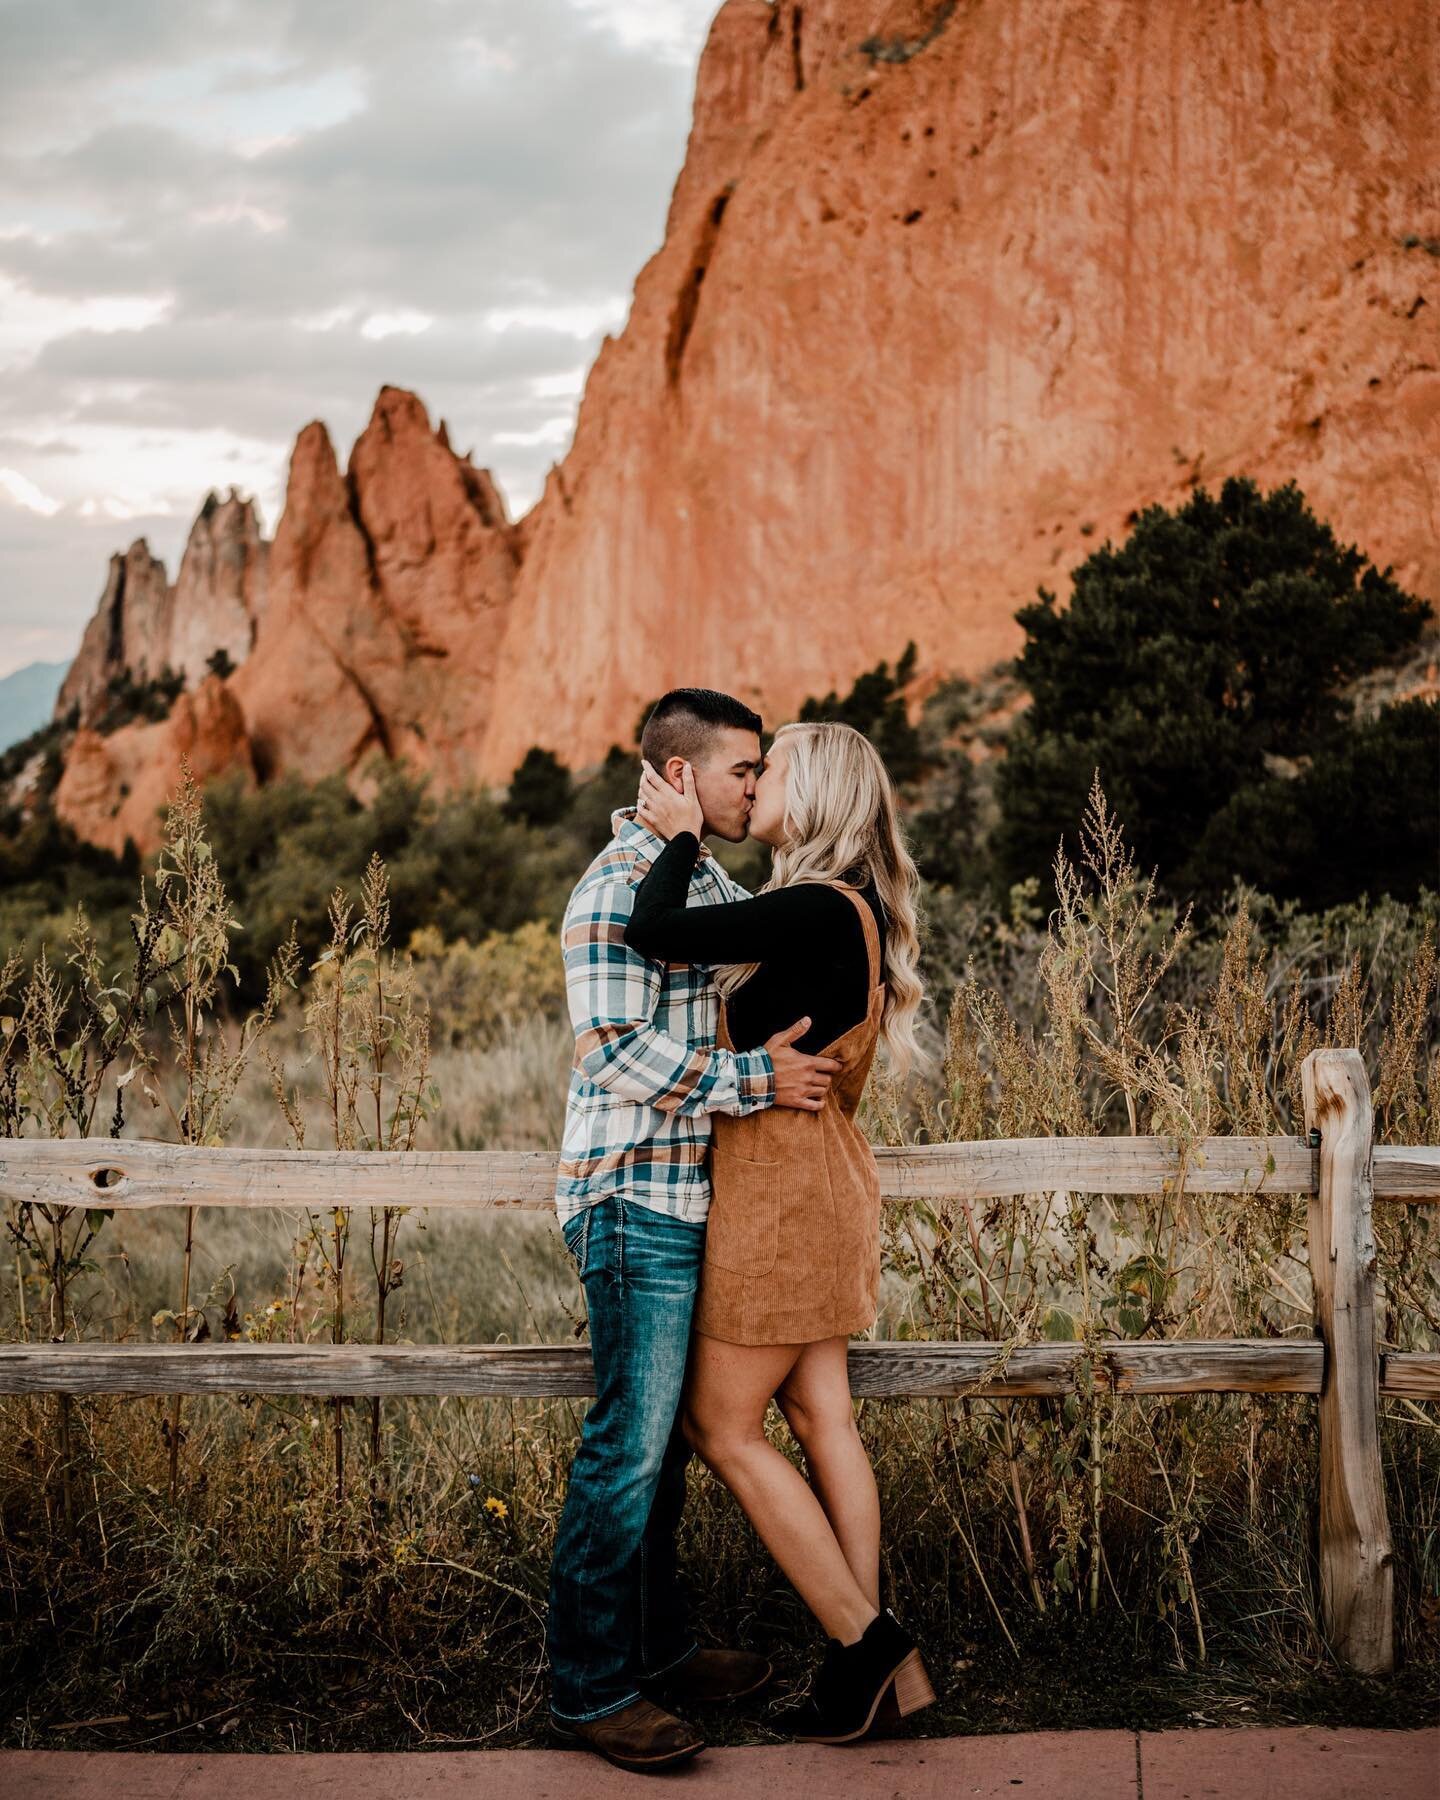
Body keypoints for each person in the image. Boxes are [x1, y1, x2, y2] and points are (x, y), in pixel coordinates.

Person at [546, 689, 845, 1774]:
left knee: (665, 1446)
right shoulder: (608, 892)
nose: (756, 789)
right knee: (627, 1449)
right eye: (743, 773)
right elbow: (615, 1053)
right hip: (632, 1199)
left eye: (763, 773)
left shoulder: (707, 877)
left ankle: (659, 1649)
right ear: (677, 776)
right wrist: (754, 1079)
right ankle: (587, 1689)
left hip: (694, 1203)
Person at [624, 718, 935, 1744]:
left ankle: (867, 1644)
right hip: (826, 1183)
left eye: (774, 770)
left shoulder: (809, 906)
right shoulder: (854, 910)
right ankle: (880, 1686)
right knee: (822, 1421)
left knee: (721, 1427)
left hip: (780, 1191)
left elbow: (655, 931)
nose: (754, 786)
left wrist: (678, 835)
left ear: (822, 791)